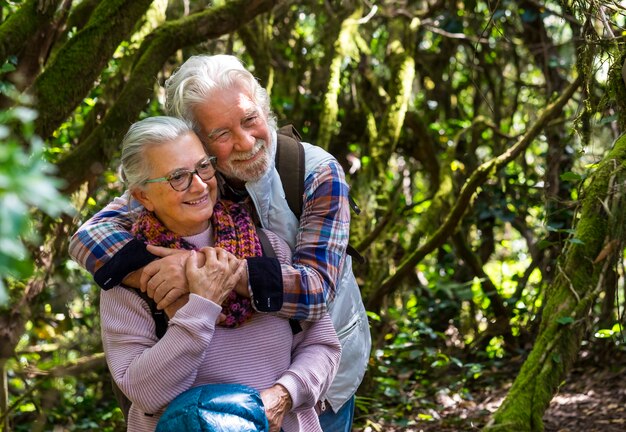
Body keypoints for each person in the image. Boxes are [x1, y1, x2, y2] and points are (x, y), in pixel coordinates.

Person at [69, 54, 371, 431]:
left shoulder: (314, 173)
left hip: (317, 387)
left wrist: (206, 272)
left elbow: (315, 292)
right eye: (222, 134)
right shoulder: (194, 175)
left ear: (264, 108)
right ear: (198, 139)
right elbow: (88, 237)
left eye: (250, 119)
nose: (246, 142)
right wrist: (158, 271)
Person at [102, 116, 340, 431]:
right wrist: (202, 305)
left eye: (203, 167)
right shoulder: (134, 276)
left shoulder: (267, 246)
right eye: (178, 177)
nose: (199, 185)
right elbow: (144, 392)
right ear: (143, 195)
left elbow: (323, 345)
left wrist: (285, 393)